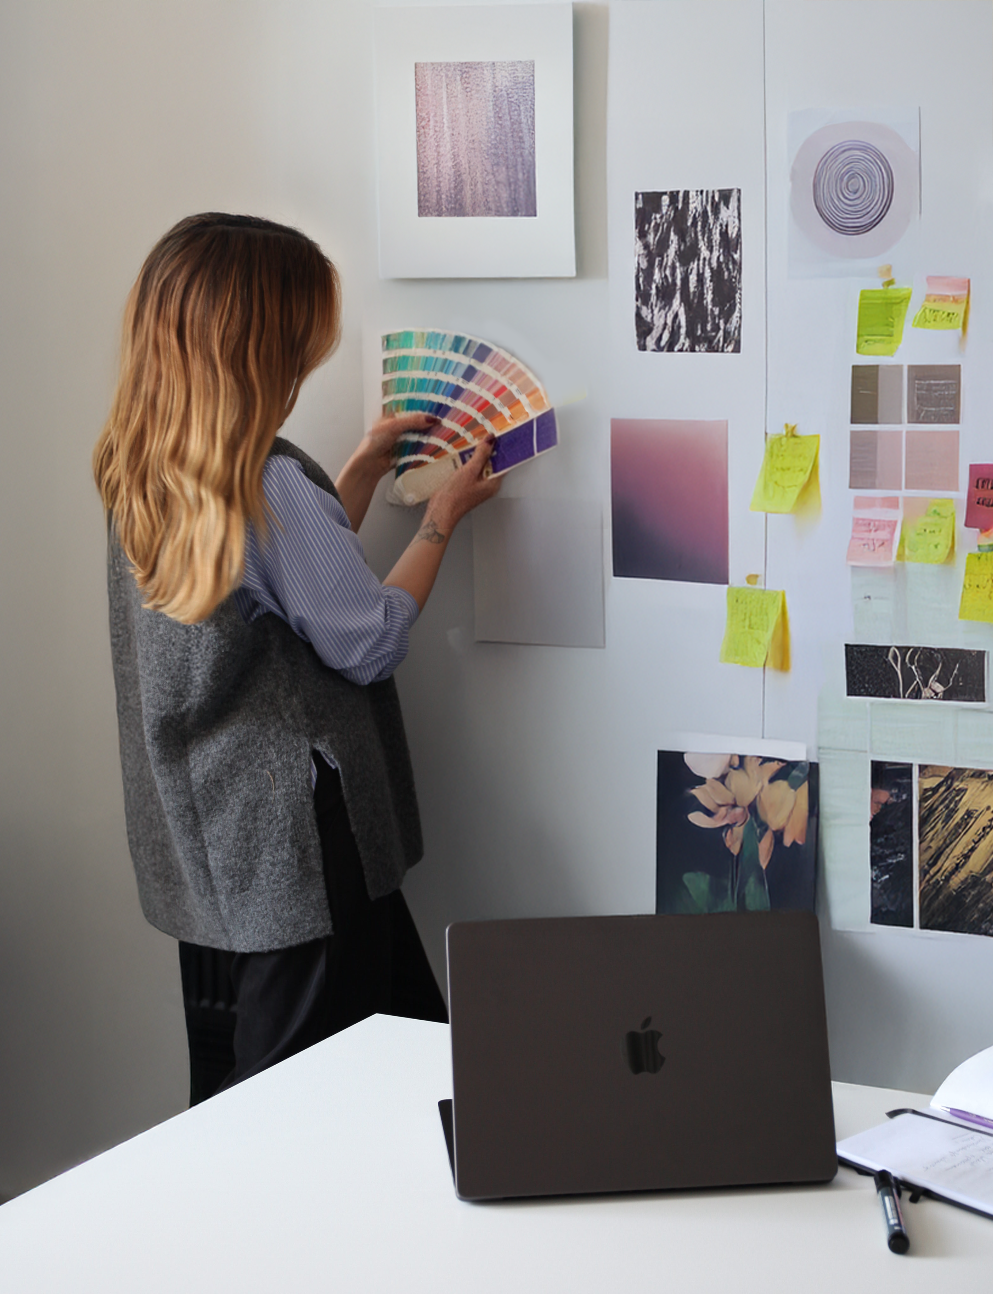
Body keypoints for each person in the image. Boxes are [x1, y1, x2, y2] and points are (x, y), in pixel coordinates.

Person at [93, 212, 500, 1101]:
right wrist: (439, 523)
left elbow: (275, 587)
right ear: (262, 347)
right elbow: (365, 640)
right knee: (306, 1095)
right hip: (302, 847)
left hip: (217, 847)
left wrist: (352, 471)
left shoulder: (149, 468)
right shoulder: (267, 478)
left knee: (284, 1072)